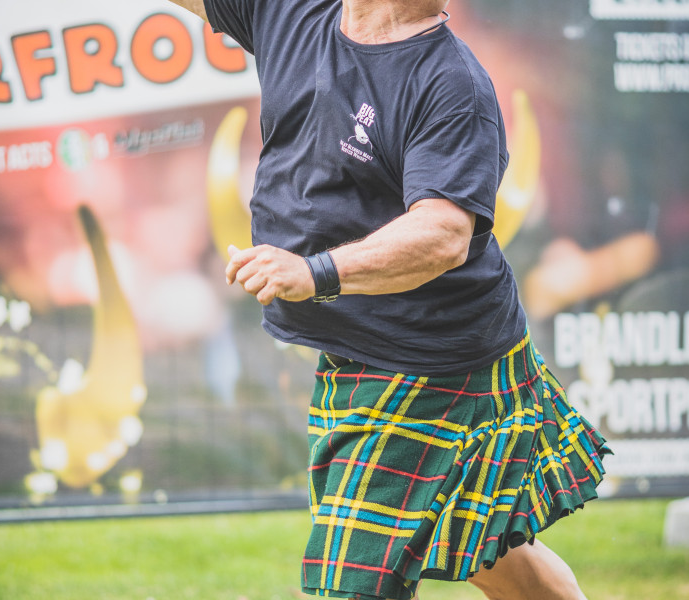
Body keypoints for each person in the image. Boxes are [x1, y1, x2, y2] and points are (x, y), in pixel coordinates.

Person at [169, 1, 610, 599]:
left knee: (352, 583)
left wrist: (315, 272)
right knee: (490, 549)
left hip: (433, 363)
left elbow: (443, 234)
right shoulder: (291, 10)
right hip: (362, 348)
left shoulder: (452, 84)